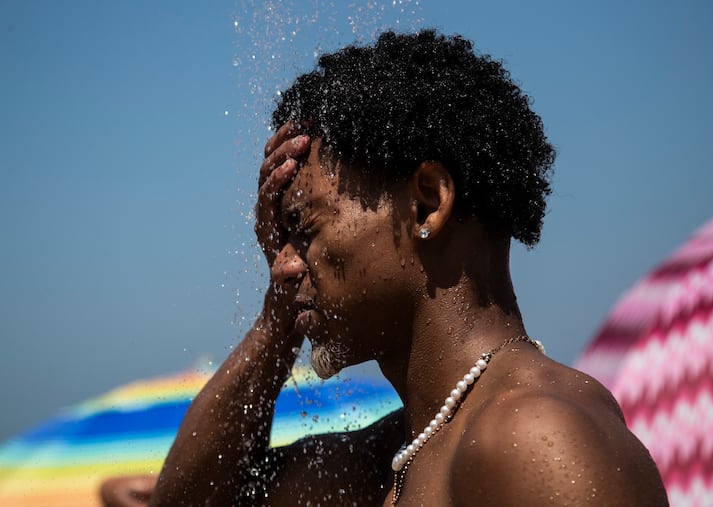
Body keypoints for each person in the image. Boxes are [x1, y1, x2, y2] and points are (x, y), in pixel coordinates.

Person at [104, 29, 668, 506]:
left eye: (305, 229)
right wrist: (277, 320)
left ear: (426, 202)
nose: (284, 265)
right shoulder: (399, 450)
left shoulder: (532, 436)